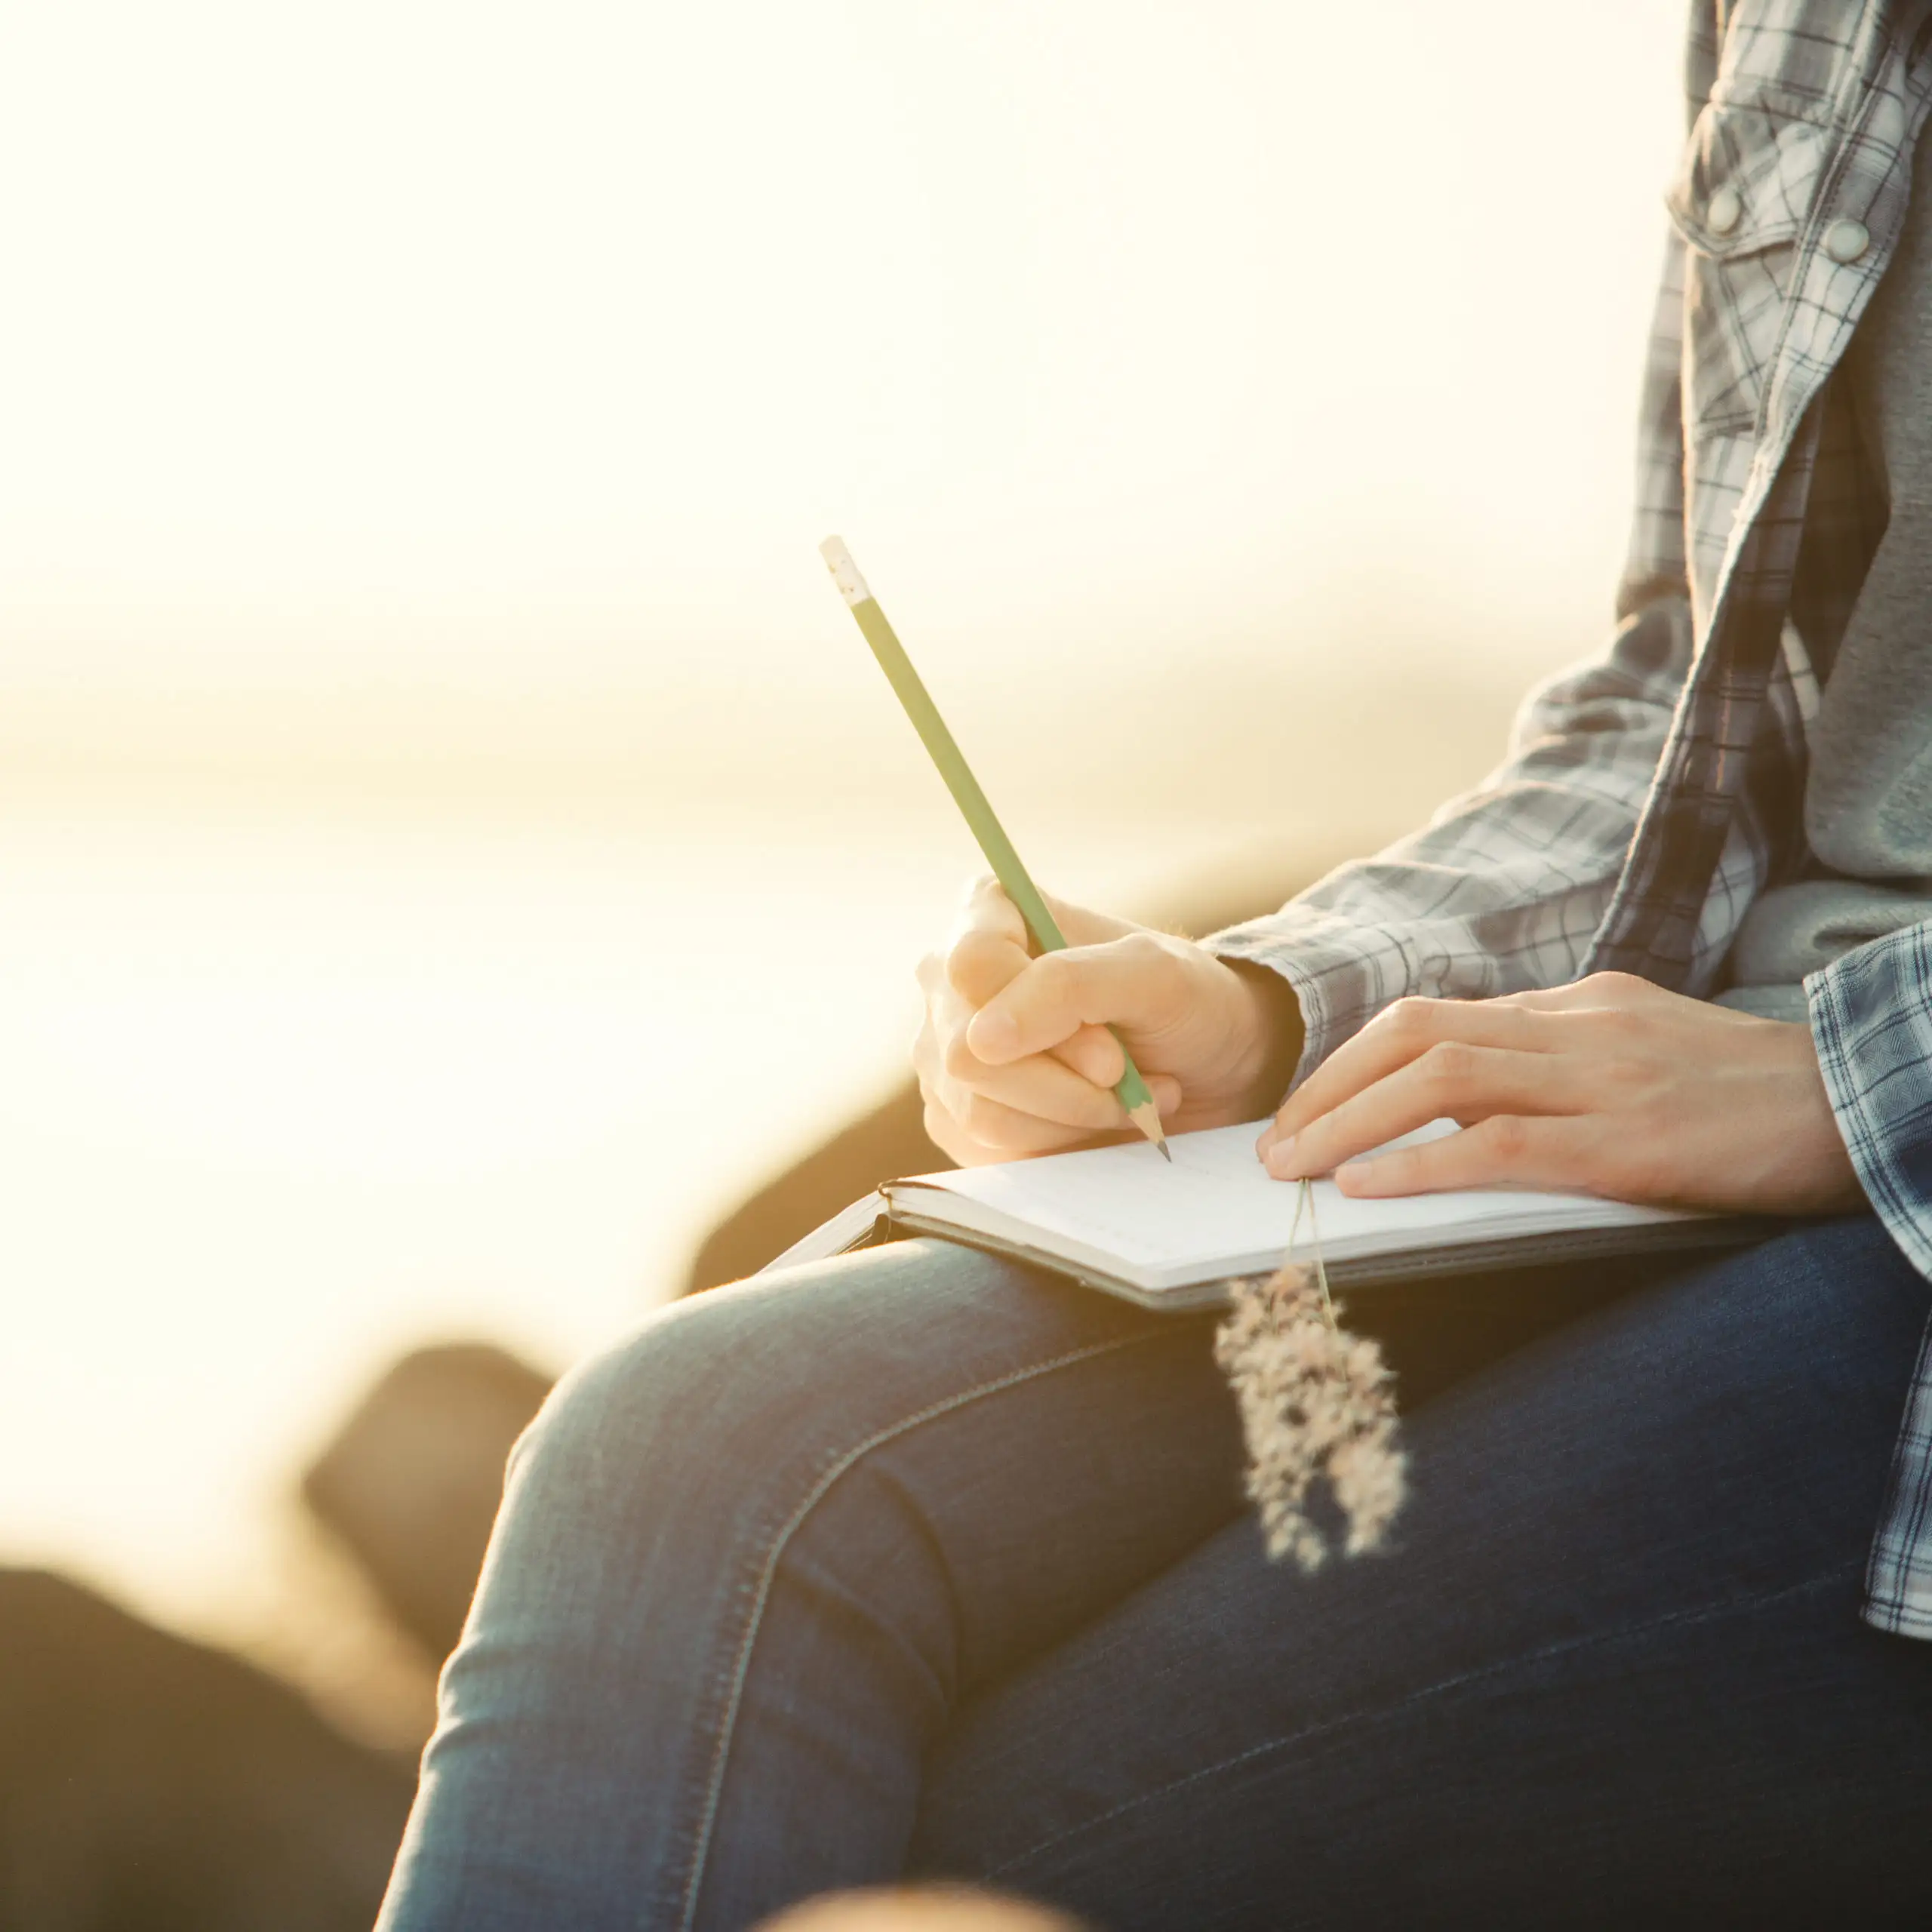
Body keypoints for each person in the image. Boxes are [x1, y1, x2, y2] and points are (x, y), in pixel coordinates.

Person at [377, 5, 1932, 1926]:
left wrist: (1846, 1075)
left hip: (1889, 1224)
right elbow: (1681, 710)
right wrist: (1271, 1007)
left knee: (947, 1831)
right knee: (679, 1447)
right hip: (1684, 1123)